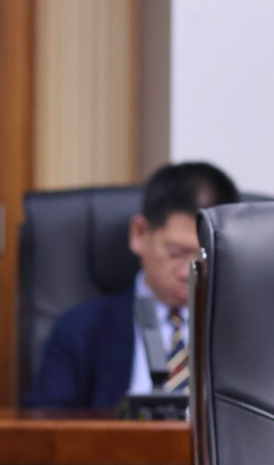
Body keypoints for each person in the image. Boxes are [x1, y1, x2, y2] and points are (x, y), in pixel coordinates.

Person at [26, 161, 240, 409]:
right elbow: (45, 423)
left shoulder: (248, 333)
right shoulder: (80, 329)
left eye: (203, 257)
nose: (187, 272)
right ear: (139, 233)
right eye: (176, 253)